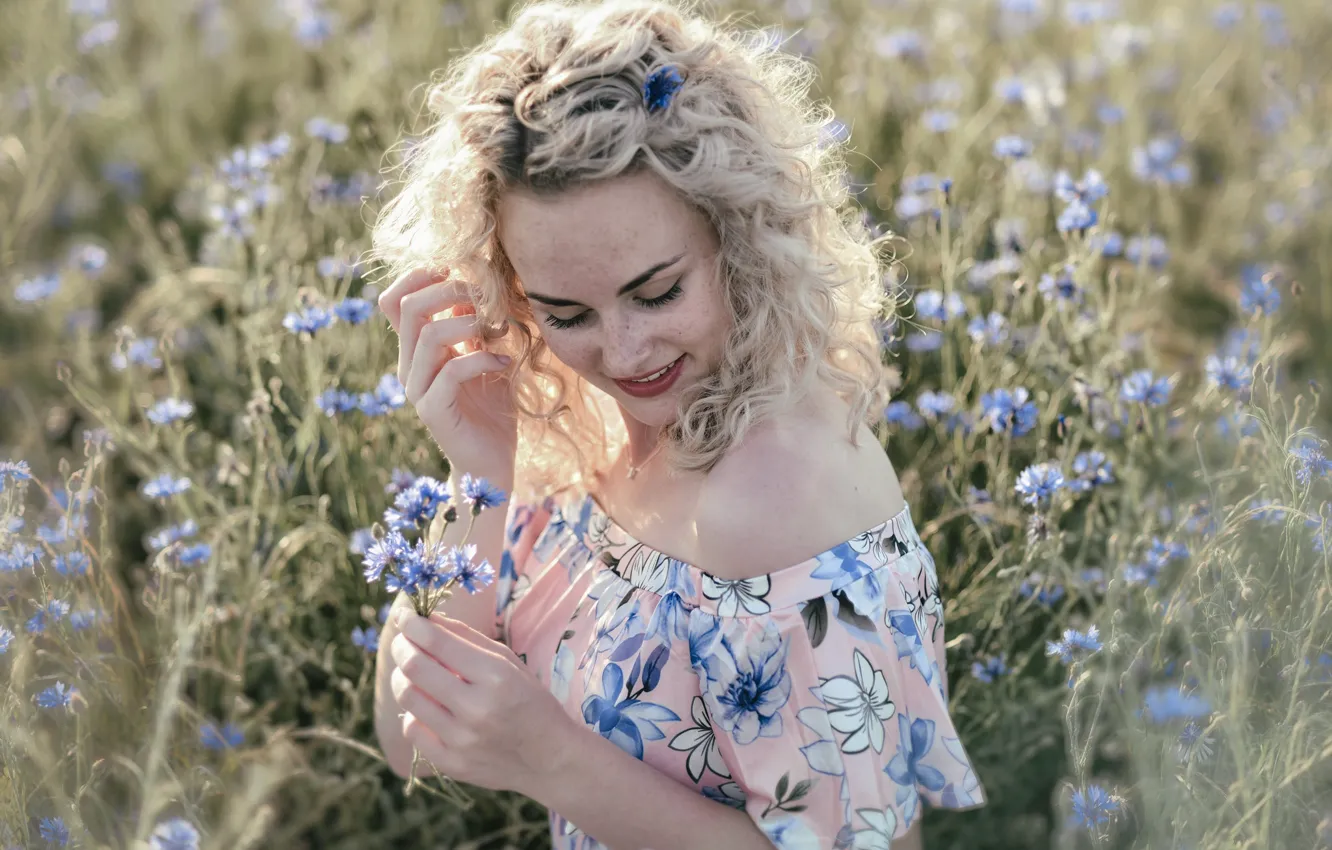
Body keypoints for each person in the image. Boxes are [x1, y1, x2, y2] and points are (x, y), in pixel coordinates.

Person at [368, 0, 986, 847]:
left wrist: (552, 761)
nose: (624, 352)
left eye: (657, 292)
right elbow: (413, 745)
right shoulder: (564, 407)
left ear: (739, 237)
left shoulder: (774, 499)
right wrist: (477, 471)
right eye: (565, 309)